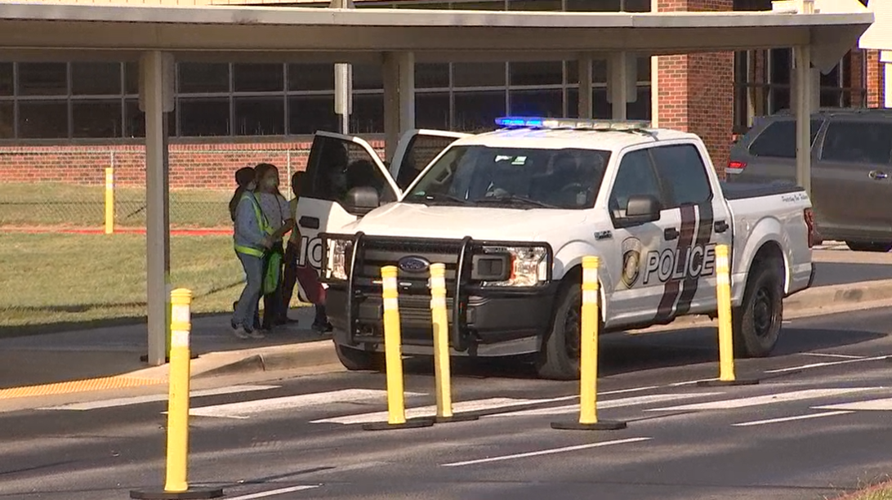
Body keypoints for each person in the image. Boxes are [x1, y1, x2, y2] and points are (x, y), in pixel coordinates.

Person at [281, 171, 332, 334]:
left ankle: (320, 319)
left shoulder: (312, 205)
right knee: (288, 282)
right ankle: (280, 314)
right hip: (296, 246)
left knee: (315, 282)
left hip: (309, 246)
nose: (297, 188)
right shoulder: (292, 205)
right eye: (294, 185)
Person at [231, 168, 273, 340]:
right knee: (254, 285)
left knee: (255, 287)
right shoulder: (247, 201)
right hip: (249, 249)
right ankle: (238, 320)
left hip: (255, 249)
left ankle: (248, 324)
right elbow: (243, 228)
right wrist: (262, 240)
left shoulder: (249, 198)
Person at [254, 163, 294, 331]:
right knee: (257, 283)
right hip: (257, 247)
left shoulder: (280, 200)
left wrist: (276, 235)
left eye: (276, 177)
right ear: (259, 179)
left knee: (273, 283)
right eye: (269, 177)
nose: (274, 181)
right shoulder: (253, 199)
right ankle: (252, 317)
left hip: (275, 246)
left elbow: (289, 222)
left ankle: (269, 319)